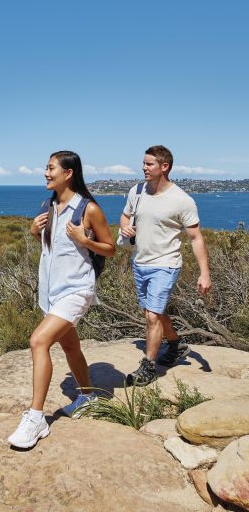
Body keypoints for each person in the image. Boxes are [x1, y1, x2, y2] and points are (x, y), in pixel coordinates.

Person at [8, 150, 115, 448]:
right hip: (50, 291)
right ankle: (88, 397)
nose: (46, 172)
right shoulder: (49, 205)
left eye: (50, 168)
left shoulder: (88, 209)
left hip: (76, 290)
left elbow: (109, 248)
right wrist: (33, 232)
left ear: (68, 173)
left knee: (38, 341)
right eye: (46, 167)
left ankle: (36, 418)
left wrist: (85, 240)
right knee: (70, 344)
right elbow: (53, 248)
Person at [119, 145, 211, 386]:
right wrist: (125, 227)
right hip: (139, 262)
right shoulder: (136, 191)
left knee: (152, 316)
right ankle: (176, 345)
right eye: (144, 163)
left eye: (149, 164)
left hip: (166, 264)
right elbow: (125, 216)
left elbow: (196, 237)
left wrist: (204, 273)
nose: (144, 167)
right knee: (154, 313)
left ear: (164, 167)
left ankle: (148, 367)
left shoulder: (182, 200)